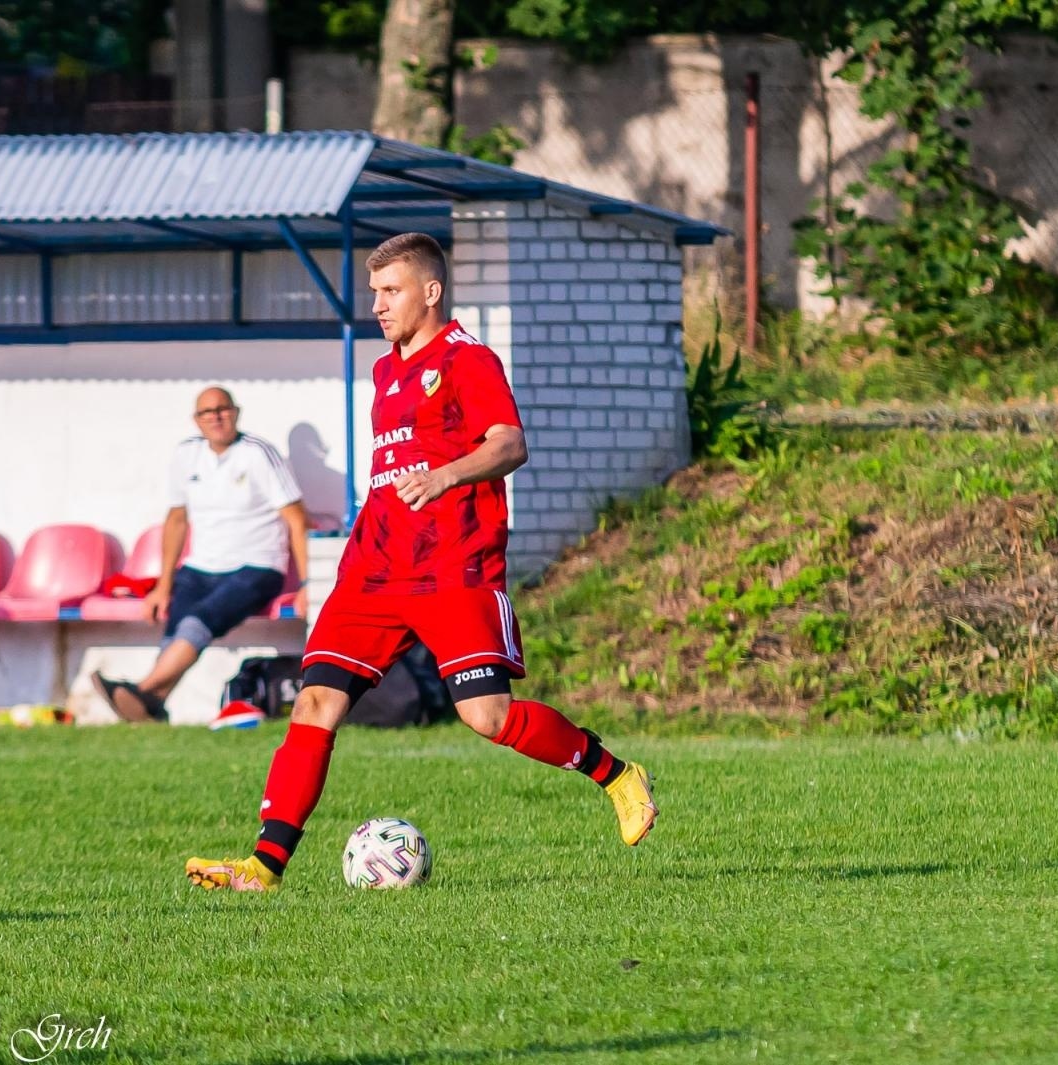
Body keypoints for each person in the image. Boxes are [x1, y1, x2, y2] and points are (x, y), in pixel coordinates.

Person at [185, 232, 657, 892]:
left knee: (486, 718)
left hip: (452, 567)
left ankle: (617, 774)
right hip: (374, 569)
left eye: (391, 291)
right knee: (316, 700)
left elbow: (510, 443)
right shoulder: (385, 370)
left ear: (430, 292)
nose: (377, 304)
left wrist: (445, 477)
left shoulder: (469, 360)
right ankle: (263, 868)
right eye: (374, 292)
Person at [93, 387, 308, 724]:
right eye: (208, 412)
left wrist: (309, 582)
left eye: (222, 409)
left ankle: (142, 691)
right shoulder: (186, 455)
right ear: (197, 420)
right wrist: (163, 586)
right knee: (176, 629)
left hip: (257, 566)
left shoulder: (259, 453)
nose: (216, 417)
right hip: (201, 565)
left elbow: (296, 521)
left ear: (236, 413)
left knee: (198, 621)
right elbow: (176, 520)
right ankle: (151, 705)